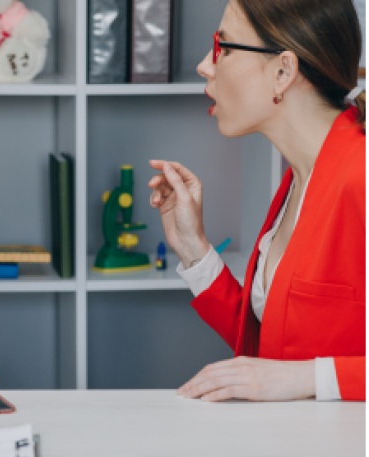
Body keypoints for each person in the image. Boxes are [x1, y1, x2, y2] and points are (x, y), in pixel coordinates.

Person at [149, 0, 365, 402]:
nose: (204, 65)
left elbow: (288, 375)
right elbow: (271, 349)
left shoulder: (361, 176)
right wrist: (194, 250)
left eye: (224, 48)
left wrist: (309, 379)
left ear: (283, 71)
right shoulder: (297, 179)